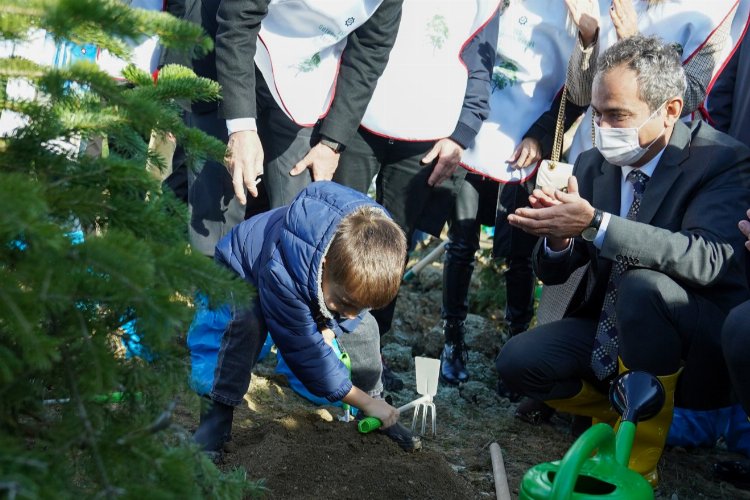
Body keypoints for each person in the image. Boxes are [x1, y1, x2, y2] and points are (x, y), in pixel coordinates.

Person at [496, 35, 750, 485]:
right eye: (597, 113)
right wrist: (558, 238)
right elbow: (553, 270)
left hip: (694, 341)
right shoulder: (595, 164)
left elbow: (708, 258)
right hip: (608, 331)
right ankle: (620, 409)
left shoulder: (719, 160)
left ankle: (636, 462)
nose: (602, 126)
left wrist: (596, 223)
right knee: (519, 361)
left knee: (644, 287)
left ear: (670, 110)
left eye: (617, 115)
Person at [330, 1, 500, 388]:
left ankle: (369, 354)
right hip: (359, 116)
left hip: (426, 136)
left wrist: (461, 134)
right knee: (338, 231)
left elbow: (479, 66)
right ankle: (319, 341)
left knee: (392, 246)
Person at [192, 181, 421, 455]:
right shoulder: (282, 272)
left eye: (358, 306)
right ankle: (214, 424)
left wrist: (333, 324)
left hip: (312, 278)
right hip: (244, 270)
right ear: (326, 266)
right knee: (241, 331)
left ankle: (374, 410)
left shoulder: (372, 244)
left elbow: (350, 309)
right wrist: (323, 328)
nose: (349, 314)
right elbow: (307, 354)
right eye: (346, 304)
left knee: (365, 330)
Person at [216, 0, 403, 211]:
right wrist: (241, 126)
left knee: (297, 207)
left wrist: (332, 143)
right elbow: (238, 20)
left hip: (304, 80)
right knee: (221, 201)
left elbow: (370, 51)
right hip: (235, 59)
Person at [563, 0, 748, 163]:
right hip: (591, 151)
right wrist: (588, 40)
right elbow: (579, 97)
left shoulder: (713, 8)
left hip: (661, 159)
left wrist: (633, 43)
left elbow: (690, 95)